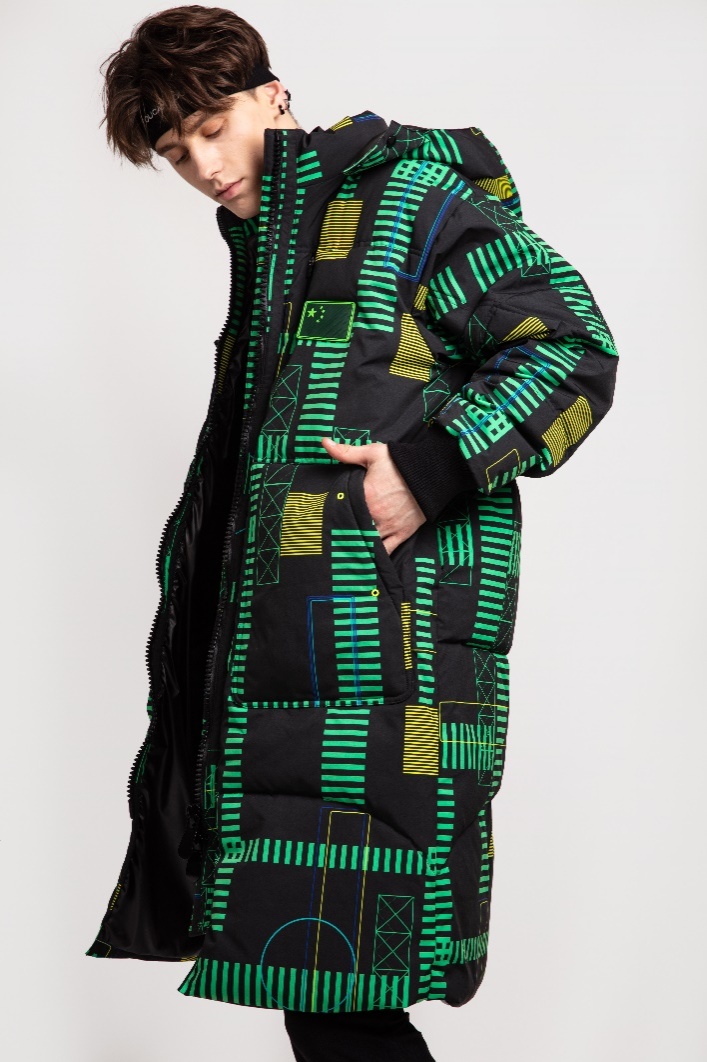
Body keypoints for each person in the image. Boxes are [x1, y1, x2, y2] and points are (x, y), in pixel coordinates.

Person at [85, 6, 619, 1061]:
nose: (203, 165)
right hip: (302, 678)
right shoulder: (275, 249)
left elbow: (571, 349)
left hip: (383, 675)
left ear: (273, 94)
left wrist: (428, 470)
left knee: (345, 1008)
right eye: (176, 151)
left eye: (213, 127)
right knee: (331, 1003)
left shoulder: (402, 199)